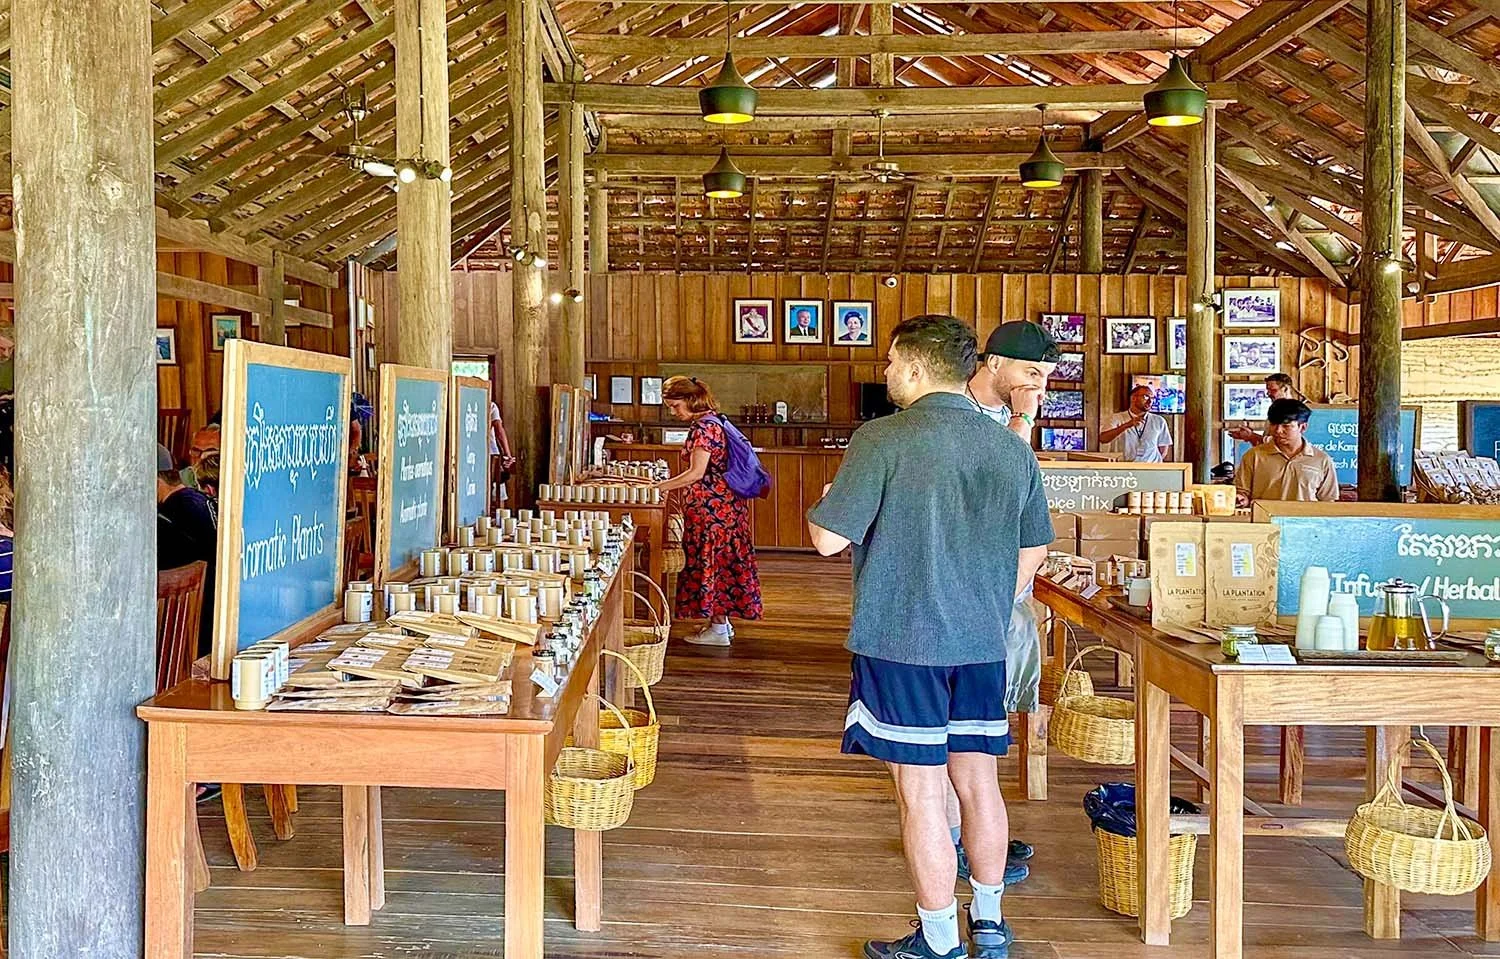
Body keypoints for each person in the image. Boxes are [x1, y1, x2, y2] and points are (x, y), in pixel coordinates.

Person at [807, 315, 1053, 959]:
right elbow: (1034, 550)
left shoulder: (882, 440)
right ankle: (991, 924)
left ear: (916, 368)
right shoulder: (1012, 448)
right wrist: (990, 607)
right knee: (979, 784)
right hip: (980, 644)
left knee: (920, 795)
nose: (885, 371)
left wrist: (831, 494)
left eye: (891, 361)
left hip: (902, 642)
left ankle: (941, 941)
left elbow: (828, 540)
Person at [958, 320, 1063, 884]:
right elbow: (1000, 483)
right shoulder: (961, 415)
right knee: (962, 732)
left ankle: (976, 832)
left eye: (1045, 377)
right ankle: (957, 839)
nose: (1038, 386)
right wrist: (1023, 419)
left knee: (988, 721)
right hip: (962, 593)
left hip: (1005, 589)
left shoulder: (1009, 416)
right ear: (993, 363)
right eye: (1030, 373)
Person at [656, 376, 762, 647]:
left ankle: (718, 628)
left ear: (691, 401)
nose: (673, 411)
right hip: (727, 508)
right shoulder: (716, 421)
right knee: (722, 564)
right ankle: (720, 624)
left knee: (711, 565)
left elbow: (696, 473)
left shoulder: (703, 429)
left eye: (675, 405)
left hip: (711, 511)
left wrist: (661, 486)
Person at [157, 444, 219, 656]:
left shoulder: (170, 515)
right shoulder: (199, 500)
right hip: (213, 623)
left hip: (190, 632)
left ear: (155, 482)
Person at [1235, 399, 1339, 505]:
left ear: (1302, 427)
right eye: (1274, 424)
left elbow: (1327, 501)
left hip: (1305, 521)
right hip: (1264, 520)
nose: (1278, 430)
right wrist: (1242, 499)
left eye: (1286, 426)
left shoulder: (1322, 460)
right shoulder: (1253, 456)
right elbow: (1243, 492)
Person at [1099, 385, 1172, 462]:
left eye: (1152, 398)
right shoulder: (1116, 418)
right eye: (1146, 397)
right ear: (1133, 398)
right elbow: (1103, 439)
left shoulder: (1159, 420)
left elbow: (1163, 449)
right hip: (1124, 467)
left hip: (1151, 468)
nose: (1150, 401)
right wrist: (1126, 426)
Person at [1227, 373, 1300, 445]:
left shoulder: (1296, 411)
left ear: (1285, 389)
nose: (1268, 394)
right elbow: (1266, 444)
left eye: (1273, 390)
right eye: (1268, 390)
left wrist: (1251, 436)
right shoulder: (1276, 410)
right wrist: (1249, 437)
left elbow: (1282, 443)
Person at [489, 399, 517, 504]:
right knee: (497, 492)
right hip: (491, 455)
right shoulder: (490, 406)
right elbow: (499, 430)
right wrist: (508, 455)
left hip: (482, 454)